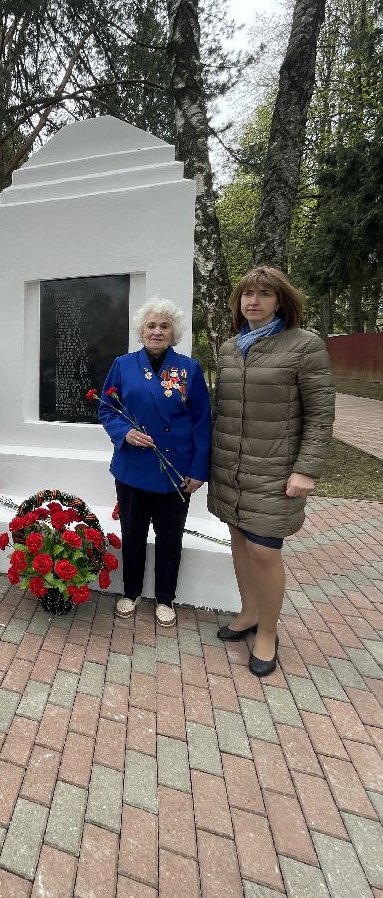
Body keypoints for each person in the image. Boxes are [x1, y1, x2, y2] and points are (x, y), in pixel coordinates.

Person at [209, 267, 334, 676]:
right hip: (231, 465)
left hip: (275, 469)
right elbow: (219, 409)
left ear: (281, 300)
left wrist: (307, 469)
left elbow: (319, 415)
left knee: (265, 549)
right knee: (240, 540)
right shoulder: (229, 349)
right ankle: (247, 613)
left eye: (264, 294)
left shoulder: (304, 346)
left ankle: (268, 632)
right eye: (247, 294)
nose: (253, 301)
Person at [98, 298, 211, 628]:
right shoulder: (123, 365)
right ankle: (131, 592)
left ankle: (165, 598)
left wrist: (198, 470)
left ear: (173, 332)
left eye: (164, 326)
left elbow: (202, 422)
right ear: (141, 330)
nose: (157, 331)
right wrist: (125, 432)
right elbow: (107, 409)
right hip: (133, 467)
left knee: (170, 537)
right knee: (132, 533)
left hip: (174, 472)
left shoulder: (189, 369)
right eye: (151, 325)